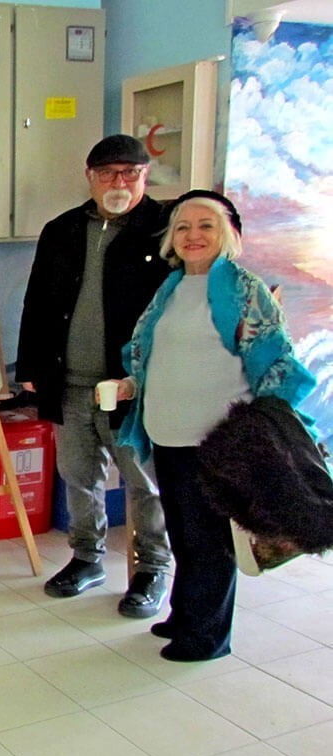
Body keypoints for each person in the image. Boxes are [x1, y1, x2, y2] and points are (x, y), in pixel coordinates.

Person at [115, 191, 315, 660]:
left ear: (225, 235)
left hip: (217, 442)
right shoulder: (171, 287)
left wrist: (259, 429)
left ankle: (207, 637)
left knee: (210, 542)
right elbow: (152, 354)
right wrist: (130, 384)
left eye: (206, 226)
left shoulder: (244, 290)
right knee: (183, 534)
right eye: (183, 227)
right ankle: (184, 614)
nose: (193, 236)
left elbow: (277, 365)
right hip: (168, 434)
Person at [16, 134, 173, 617]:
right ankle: (87, 558)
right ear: (90, 177)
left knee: (142, 483)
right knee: (79, 477)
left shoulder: (165, 228)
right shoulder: (61, 229)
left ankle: (152, 570)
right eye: (108, 173)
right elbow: (37, 302)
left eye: (130, 173)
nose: (119, 182)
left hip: (132, 386)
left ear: (145, 176)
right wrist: (29, 368)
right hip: (70, 382)